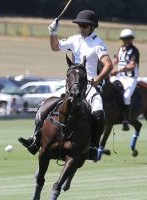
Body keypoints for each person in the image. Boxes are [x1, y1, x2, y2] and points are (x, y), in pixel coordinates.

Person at [19, 10, 113, 160]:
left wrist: (98, 79)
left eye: (84, 26)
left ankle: (93, 147)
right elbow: (55, 46)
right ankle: (35, 140)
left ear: (92, 27)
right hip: (73, 85)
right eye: (80, 25)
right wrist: (52, 32)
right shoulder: (75, 39)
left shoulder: (98, 43)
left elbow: (108, 65)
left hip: (89, 86)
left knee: (98, 113)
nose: (81, 28)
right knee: (46, 106)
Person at [110, 29, 139, 131]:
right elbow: (115, 60)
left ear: (131, 39)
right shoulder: (120, 49)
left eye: (127, 39)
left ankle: (126, 120)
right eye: (124, 39)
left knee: (126, 96)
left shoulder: (134, 51)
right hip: (119, 76)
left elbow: (132, 65)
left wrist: (118, 70)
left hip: (130, 78)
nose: (125, 41)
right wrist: (108, 66)